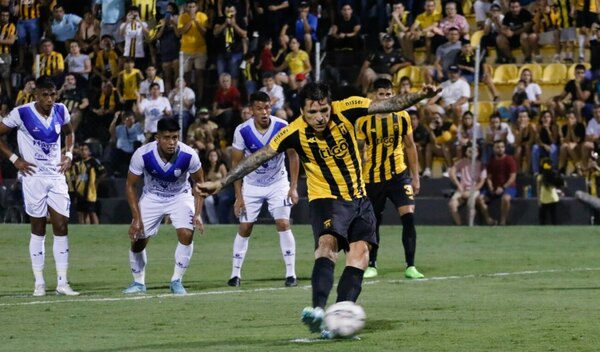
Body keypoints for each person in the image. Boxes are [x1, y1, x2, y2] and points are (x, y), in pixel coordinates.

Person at [196, 81, 440, 337]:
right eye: (312, 112)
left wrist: (420, 95)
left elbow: (388, 104)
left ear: (330, 105)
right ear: (301, 110)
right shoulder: (293, 132)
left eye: (323, 110)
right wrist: (223, 182)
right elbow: (259, 157)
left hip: (359, 197)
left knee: (361, 254)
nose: (320, 117)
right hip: (326, 198)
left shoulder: (347, 108)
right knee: (327, 246)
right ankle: (318, 309)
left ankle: (341, 315)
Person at [0, 77, 79, 296]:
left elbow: (69, 132)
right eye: (45, 95)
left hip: (55, 175)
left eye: (53, 94)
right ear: (36, 95)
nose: (50, 99)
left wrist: (69, 154)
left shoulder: (61, 110)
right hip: (33, 176)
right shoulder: (21, 113)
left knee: (62, 225)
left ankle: (63, 283)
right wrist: (15, 159)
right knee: (38, 228)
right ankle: (39, 283)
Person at [123, 117, 204, 295]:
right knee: (138, 241)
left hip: (179, 197)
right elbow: (130, 185)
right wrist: (136, 219)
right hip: (152, 197)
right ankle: (138, 283)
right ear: (157, 138)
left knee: (186, 234)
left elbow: (199, 183)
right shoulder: (142, 154)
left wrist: (197, 213)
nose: (171, 142)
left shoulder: (189, 155)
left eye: (175, 137)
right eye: (167, 137)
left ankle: (176, 281)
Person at [228, 91, 300, 287]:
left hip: (278, 183)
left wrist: (293, 188)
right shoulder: (242, 131)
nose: (264, 112)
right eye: (259, 108)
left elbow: (293, 156)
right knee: (245, 227)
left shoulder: (282, 126)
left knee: (283, 224)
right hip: (251, 185)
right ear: (251, 110)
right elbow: (236, 165)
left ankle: (291, 274)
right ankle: (235, 274)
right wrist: (238, 196)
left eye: (267, 107)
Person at [355, 78, 424, 280]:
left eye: (388, 94)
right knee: (373, 222)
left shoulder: (402, 116)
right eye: (381, 94)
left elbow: (410, 146)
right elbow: (360, 151)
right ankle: (372, 264)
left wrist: (416, 177)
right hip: (372, 177)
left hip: (398, 175)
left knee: (408, 216)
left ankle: (410, 266)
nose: (385, 98)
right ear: (373, 95)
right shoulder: (363, 120)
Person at [448, 144, 495, 226]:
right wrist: (458, 185)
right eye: (470, 151)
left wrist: (472, 191)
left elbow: (482, 181)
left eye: (474, 151)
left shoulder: (481, 165)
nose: (472, 153)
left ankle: (470, 225)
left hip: (474, 189)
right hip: (462, 189)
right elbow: (452, 172)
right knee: (452, 204)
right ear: (466, 152)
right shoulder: (462, 162)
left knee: (471, 203)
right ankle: (459, 225)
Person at [483, 140, 518, 226]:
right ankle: (489, 220)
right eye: (498, 147)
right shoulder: (491, 161)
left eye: (502, 147)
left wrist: (503, 187)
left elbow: (513, 177)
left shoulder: (509, 160)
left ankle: (503, 221)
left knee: (505, 199)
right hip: (495, 187)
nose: (500, 149)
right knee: (479, 199)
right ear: (494, 149)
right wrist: (490, 186)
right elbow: (489, 177)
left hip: (508, 187)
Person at [71, 143, 106, 224]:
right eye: (81, 150)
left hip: (90, 192)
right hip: (79, 191)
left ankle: (96, 230)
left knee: (91, 212)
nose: (83, 152)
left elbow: (103, 173)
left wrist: (96, 183)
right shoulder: (77, 163)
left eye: (85, 150)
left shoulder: (93, 161)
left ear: (89, 152)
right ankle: (84, 232)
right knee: (81, 213)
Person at [536, 157, 564, 225]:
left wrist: (538, 200)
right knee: (553, 217)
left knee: (542, 218)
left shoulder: (540, 177)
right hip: (553, 198)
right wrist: (561, 192)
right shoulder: (554, 175)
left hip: (543, 199)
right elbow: (562, 185)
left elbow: (538, 190)